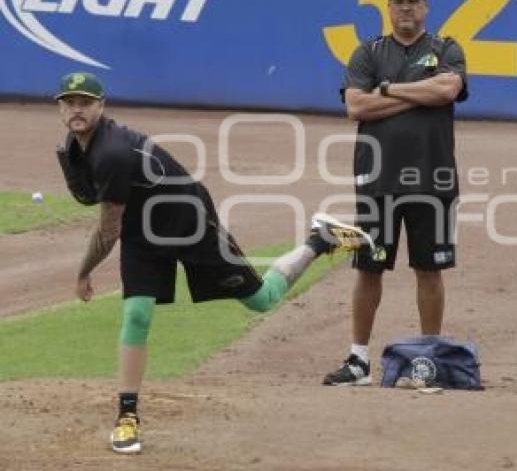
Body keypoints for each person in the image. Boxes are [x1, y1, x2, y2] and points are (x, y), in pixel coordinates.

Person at [55, 71, 374, 453]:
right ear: (60, 108)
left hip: (187, 219)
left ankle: (319, 240)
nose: (77, 109)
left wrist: (83, 272)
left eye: (85, 102)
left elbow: (108, 231)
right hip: (141, 230)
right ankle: (127, 416)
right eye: (70, 102)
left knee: (262, 299)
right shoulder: (76, 148)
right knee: (137, 315)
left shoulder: (111, 153)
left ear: (101, 106)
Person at [323, 0, 468, 386]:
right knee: (368, 269)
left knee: (430, 269)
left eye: (413, 1)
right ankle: (358, 360)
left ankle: (430, 358)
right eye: (399, 1)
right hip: (378, 181)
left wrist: (387, 90)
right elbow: (356, 106)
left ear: (426, 7)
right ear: (388, 8)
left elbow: (447, 90)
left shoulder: (446, 48)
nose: (406, 7)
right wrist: (414, 94)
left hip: (433, 180)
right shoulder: (368, 53)